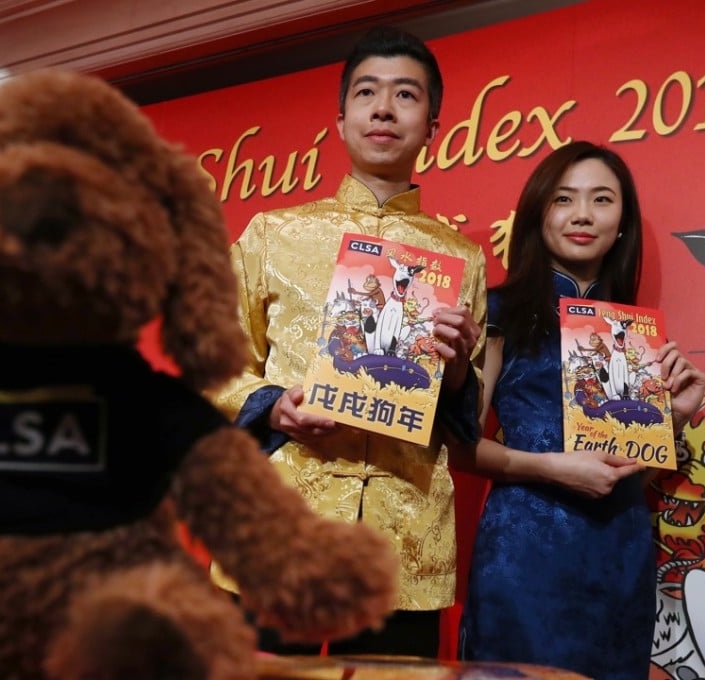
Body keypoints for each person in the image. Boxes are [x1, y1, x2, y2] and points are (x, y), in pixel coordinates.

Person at [211, 25, 487, 658]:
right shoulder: (274, 234)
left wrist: (456, 372)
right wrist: (273, 408)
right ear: (341, 121)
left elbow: (462, 415)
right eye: (367, 92)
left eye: (405, 94)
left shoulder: (461, 259)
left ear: (432, 127)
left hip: (405, 538)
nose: (384, 108)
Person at [452, 141, 705, 679]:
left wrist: (675, 419)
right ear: (537, 214)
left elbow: (627, 473)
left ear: (623, 225)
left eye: (602, 199)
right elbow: (461, 446)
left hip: (620, 558)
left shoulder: (633, 333)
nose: (583, 215)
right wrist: (551, 468)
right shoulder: (499, 311)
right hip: (525, 557)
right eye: (564, 199)